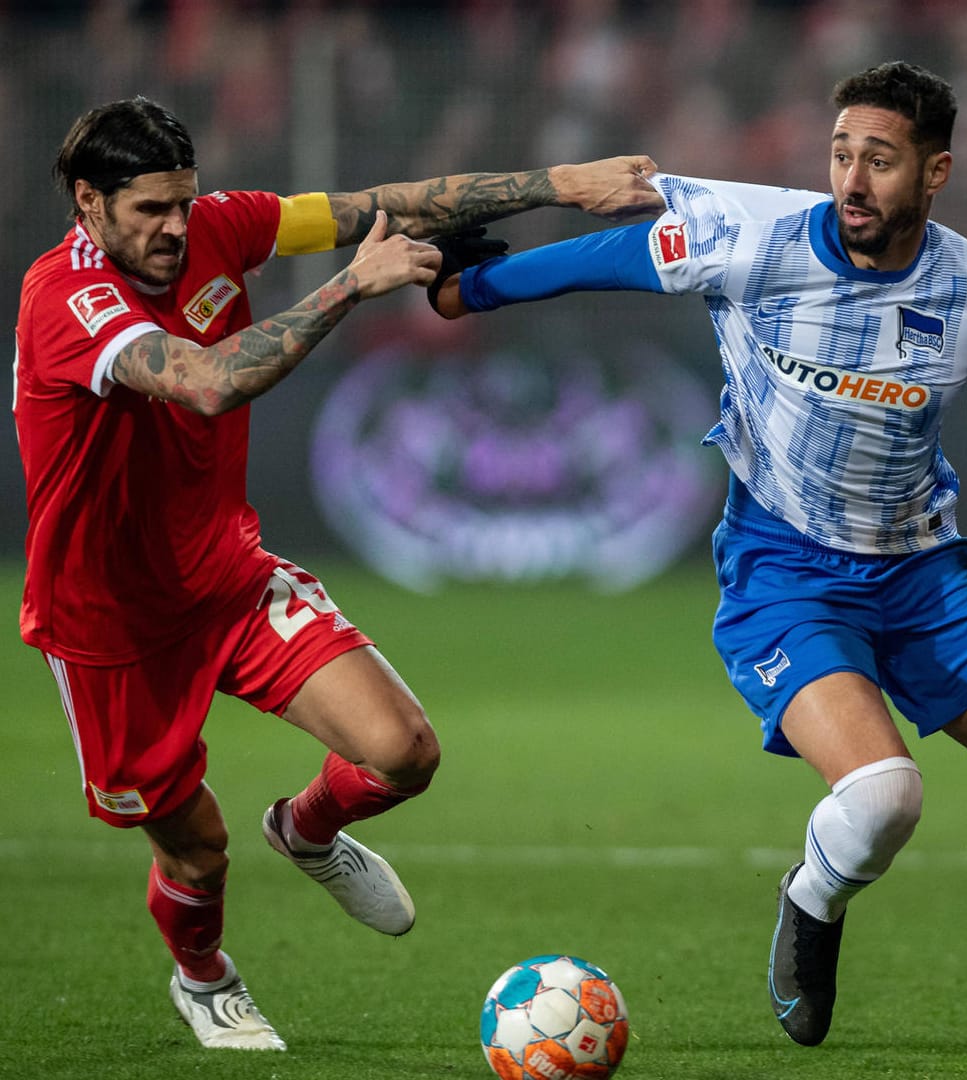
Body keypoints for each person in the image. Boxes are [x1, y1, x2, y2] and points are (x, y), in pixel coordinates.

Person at [428, 62, 967, 1068]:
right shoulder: (757, 239)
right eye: (843, 154)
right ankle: (813, 902)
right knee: (886, 795)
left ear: (934, 173)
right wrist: (469, 290)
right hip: (787, 571)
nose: (854, 180)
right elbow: (614, 254)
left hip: (922, 570)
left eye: (881, 161)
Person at [11, 95, 663, 1053]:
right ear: (88, 201)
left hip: (228, 577)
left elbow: (374, 204)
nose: (175, 228)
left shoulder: (222, 226)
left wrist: (562, 185)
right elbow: (206, 381)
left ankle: (308, 830)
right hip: (108, 626)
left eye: (182, 204)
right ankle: (205, 977)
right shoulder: (63, 297)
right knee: (196, 846)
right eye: (150, 208)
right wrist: (351, 289)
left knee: (404, 751)